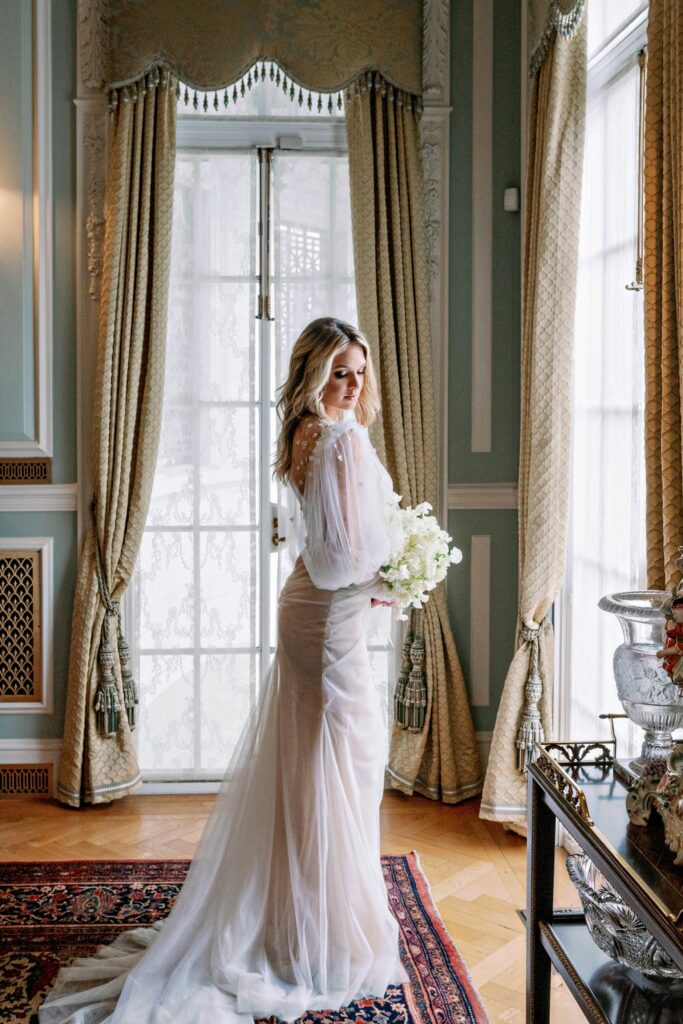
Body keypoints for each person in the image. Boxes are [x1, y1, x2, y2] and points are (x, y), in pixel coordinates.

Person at [40, 317, 408, 1024]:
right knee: (341, 765)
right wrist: (390, 571)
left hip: (311, 609)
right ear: (312, 374)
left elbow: (324, 547)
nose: (352, 384)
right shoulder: (338, 440)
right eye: (339, 371)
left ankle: (295, 914)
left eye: (358, 372)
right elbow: (339, 561)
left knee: (311, 766)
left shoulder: (305, 434)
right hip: (329, 615)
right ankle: (317, 935)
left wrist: (380, 568)